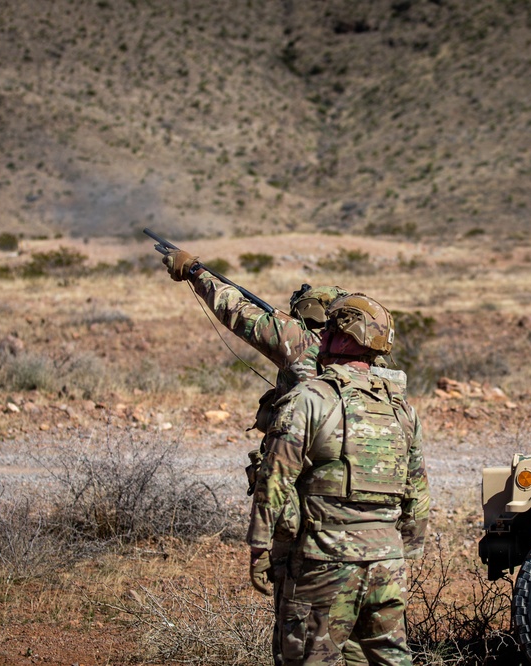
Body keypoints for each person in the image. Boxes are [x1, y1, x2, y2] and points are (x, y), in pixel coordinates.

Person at [161, 249, 348, 661]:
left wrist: (195, 272)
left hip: (302, 501)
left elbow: (236, 310)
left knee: (296, 619)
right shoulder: (370, 362)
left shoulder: (298, 340)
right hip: (359, 506)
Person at [247, 293, 430, 666]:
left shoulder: (310, 398)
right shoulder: (400, 408)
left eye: (330, 328)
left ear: (346, 338)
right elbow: (418, 493)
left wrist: (259, 546)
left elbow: (276, 477)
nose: (323, 335)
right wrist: (403, 550)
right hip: (387, 566)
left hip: (324, 561)